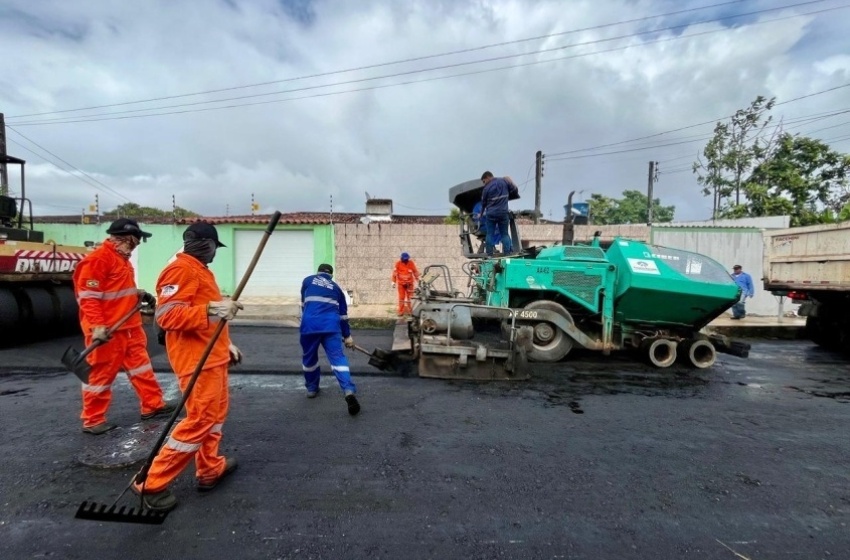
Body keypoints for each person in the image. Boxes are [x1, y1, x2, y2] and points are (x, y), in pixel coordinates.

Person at [132, 221, 244, 512]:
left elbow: (209, 320)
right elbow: (167, 317)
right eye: (212, 247)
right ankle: (151, 484)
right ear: (200, 243)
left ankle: (210, 469)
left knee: (214, 418)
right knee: (199, 421)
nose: (214, 253)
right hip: (196, 362)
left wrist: (226, 345)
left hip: (213, 357)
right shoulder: (179, 269)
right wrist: (212, 309)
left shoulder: (200, 270)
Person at [71, 218, 175, 435]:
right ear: (127, 239)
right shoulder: (98, 260)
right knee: (100, 375)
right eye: (135, 242)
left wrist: (139, 294)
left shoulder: (122, 260)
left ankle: (153, 405)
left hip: (129, 326)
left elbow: (118, 290)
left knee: (141, 368)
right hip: (109, 331)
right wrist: (97, 326)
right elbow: (88, 297)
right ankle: (93, 420)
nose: (136, 247)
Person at [300, 263, 360, 416]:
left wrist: (307, 318)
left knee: (310, 359)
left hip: (310, 326)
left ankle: (312, 389)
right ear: (331, 275)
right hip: (331, 327)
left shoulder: (307, 281)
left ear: (318, 272)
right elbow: (343, 316)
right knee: (338, 360)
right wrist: (347, 336)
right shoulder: (336, 288)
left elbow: (303, 304)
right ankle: (348, 390)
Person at [480, 171, 519, 256]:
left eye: (484, 181)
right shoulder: (504, 181)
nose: (484, 184)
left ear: (487, 177)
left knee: (490, 234)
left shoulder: (486, 188)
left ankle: (489, 255)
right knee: (504, 234)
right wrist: (510, 181)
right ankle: (507, 254)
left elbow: (483, 204)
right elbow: (515, 191)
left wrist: (481, 213)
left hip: (491, 214)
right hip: (503, 213)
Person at [391, 252, 420, 316]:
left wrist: (419, 280)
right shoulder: (398, 263)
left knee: (410, 298)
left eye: (407, 259)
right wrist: (393, 282)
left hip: (409, 284)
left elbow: (415, 271)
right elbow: (395, 273)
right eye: (404, 259)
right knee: (401, 298)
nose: (406, 260)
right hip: (401, 285)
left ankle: (410, 311)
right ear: (401, 258)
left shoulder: (411, 263)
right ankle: (401, 311)